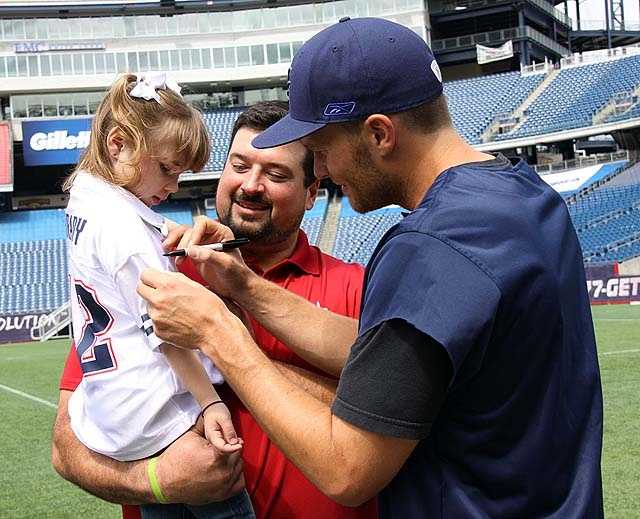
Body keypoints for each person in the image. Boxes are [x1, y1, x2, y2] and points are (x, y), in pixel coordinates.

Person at [137, 17, 604, 518]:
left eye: (321, 151)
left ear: (379, 134)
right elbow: (387, 356)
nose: (326, 171)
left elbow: (346, 468)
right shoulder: (525, 197)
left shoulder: (432, 244)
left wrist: (216, 332)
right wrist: (247, 288)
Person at [53, 101, 377, 519]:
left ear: (312, 192)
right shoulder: (153, 273)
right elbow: (67, 444)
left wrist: (227, 336)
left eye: (276, 174)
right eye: (239, 166)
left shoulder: (361, 286)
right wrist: (154, 479)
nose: (252, 185)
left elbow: (386, 416)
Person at [60, 72, 254, 519]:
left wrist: (170, 233)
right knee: (223, 495)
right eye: (167, 168)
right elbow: (169, 331)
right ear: (118, 144)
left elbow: (131, 227)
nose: (172, 186)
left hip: (115, 410)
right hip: (159, 411)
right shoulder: (127, 233)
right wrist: (209, 401)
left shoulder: (87, 200)